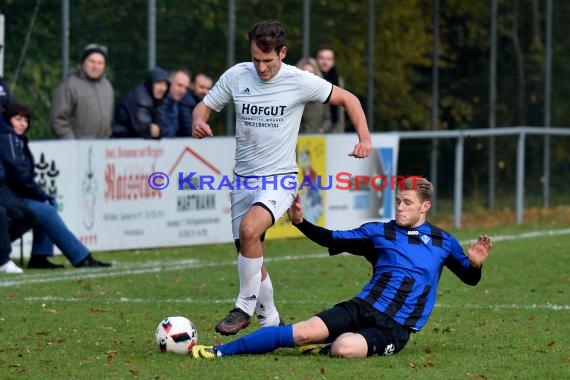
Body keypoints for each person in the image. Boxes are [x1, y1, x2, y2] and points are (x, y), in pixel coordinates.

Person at [192, 19, 372, 336]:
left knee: (250, 229)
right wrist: (199, 121)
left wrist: (365, 138)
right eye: (256, 60)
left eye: (268, 61)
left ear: (283, 52)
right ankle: (272, 322)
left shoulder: (299, 80)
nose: (261, 68)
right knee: (249, 253)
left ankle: (244, 307)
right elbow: (203, 107)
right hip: (242, 182)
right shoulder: (237, 75)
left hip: (280, 180)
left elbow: (349, 99)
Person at [189, 177, 492, 359]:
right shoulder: (378, 233)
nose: (399, 207)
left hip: (394, 329)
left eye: (407, 203)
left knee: (345, 349)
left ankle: (328, 345)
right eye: (398, 201)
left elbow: (469, 278)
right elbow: (331, 238)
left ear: (424, 207)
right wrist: (300, 223)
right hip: (362, 307)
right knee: (302, 332)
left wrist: (475, 265)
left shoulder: (444, 242)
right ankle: (218, 351)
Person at [0, 104, 111, 269]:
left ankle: (40, 257)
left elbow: (22, 175)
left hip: (15, 195)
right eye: (18, 119)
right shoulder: (7, 138)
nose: (23, 123)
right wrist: (40, 194)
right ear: (7, 121)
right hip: (9, 197)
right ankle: (81, 258)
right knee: (47, 210)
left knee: (47, 205)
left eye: (26, 120)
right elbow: (18, 174)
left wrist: (40, 195)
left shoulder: (16, 139)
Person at [50, 43, 114, 139]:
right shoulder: (69, 85)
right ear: (84, 62)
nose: (95, 66)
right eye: (92, 61)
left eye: (100, 63)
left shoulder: (107, 86)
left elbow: (111, 116)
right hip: (77, 149)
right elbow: (58, 119)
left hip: (102, 147)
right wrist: (72, 144)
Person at [112, 67, 170, 139]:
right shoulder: (141, 99)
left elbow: (166, 126)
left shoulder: (158, 100)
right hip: (121, 143)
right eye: (158, 83)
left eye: (165, 84)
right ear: (150, 83)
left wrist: (160, 130)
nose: (162, 88)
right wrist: (158, 131)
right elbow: (145, 129)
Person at [296, 57, 332, 134]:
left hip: (317, 139)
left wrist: (322, 129)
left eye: (311, 74)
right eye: (305, 74)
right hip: (297, 140)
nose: (308, 78)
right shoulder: (293, 96)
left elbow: (328, 119)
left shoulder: (323, 96)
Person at [315, 45, 345, 133]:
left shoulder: (338, 81)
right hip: (315, 131)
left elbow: (340, 110)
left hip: (335, 130)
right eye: (322, 58)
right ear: (316, 60)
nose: (325, 62)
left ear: (333, 61)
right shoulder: (311, 79)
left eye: (329, 59)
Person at [156, 70, 191, 138]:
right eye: (179, 85)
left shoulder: (178, 104)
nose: (183, 91)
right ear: (169, 83)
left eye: (186, 88)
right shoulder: (159, 103)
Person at [178, 72, 213, 137]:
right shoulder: (186, 103)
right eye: (201, 87)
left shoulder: (203, 103)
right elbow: (190, 131)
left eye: (208, 88)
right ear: (192, 86)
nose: (205, 91)